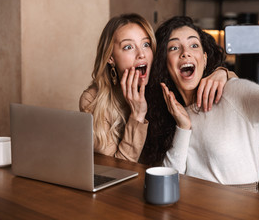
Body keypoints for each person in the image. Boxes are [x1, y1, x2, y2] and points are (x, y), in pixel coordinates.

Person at [146, 16, 259, 192]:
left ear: (204, 59)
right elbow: (168, 181)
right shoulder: (168, 110)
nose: (185, 52)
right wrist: (183, 127)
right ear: (165, 63)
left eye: (194, 45)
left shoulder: (234, 92)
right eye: (174, 47)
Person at [80, 13, 235, 163]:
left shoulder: (163, 83)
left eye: (146, 44)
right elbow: (116, 171)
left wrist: (223, 73)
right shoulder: (94, 100)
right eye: (128, 47)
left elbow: (229, 83)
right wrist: (137, 116)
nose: (141, 54)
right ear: (110, 58)